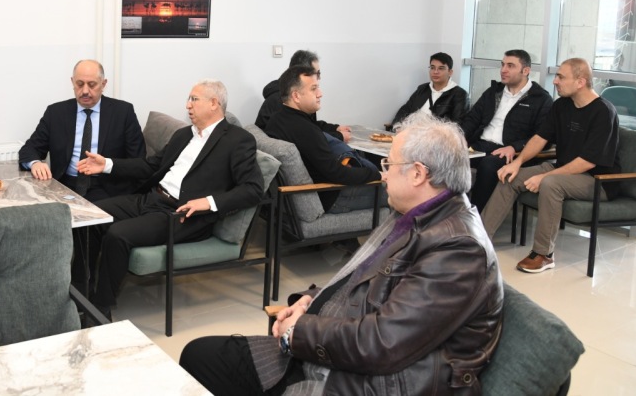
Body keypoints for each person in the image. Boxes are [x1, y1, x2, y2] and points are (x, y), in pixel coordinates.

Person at [179, 114, 503, 395]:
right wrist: (310, 302)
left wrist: (298, 331)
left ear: (418, 174)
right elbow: (361, 283)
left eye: (389, 165)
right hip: (341, 346)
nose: (384, 174)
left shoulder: (458, 249)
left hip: (375, 382)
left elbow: (383, 342)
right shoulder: (415, 215)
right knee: (199, 355)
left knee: (207, 365)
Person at [75, 79, 263, 316]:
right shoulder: (184, 135)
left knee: (117, 235)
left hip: (181, 215)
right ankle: (80, 292)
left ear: (214, 103)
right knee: (90, 216)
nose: (188, 105)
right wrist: (107, 165)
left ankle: (99, 309)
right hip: (151, 199)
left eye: (194, 99)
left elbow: (253, 189)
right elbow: (151, 166)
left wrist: (209, 202)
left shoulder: (238, 140)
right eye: (189, 99)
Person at [481, 58, 620, 273]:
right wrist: (517, 163)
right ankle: (480, 239)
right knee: (510, 176)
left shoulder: (604, 112)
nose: (555, 81)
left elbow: (587, 162)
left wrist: (544, 177)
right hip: (565, 169)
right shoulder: (561, 105)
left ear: (580, 82)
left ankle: (544, 254)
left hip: (598, 180)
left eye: (561, 77)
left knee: (551, 184)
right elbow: (540, 138)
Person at [18, 60, 145, 202]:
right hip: (64, 185)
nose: (85, 91)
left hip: (107, 187)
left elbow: (138, 162)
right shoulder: (56, 113)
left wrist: (106, 165)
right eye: (79, 84)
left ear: (103, 84)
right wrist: (35, 163)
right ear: (72, 82)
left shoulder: (123, 112)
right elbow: (29, 149)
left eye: (92, 85)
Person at [265, 65, 382, 214]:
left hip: (298, 199)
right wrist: (378, 175)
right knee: (395, 193)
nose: (320, 94)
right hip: (331, 196)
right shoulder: (304, 129)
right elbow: (336, 173)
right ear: (296, 96)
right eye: (314, 89)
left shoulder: (277, 118)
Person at [461, 49, 554, 211]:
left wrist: (515, 147)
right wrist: (458, 138)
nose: (503, 70)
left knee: (489, 165)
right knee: (444, 157)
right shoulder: (493, 92)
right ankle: (444, 212)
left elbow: (542, 138)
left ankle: (475, 216)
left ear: (526, 71)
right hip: (480, 146)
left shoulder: (541, 99)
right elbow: (471, 120)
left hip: (511, 152)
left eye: (510, 66)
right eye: (503, 65)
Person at [255, 50, 352, 157]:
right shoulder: (282, 102)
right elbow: (306, 135)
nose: (318, 78)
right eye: (316, 73)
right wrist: (339, 136)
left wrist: (334, 128)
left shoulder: (289, 96)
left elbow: (310, 126)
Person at [390, 52, 468, 126]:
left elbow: (457, 125)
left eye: (441, 68)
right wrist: (397, 126)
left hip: (435, 134)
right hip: (410, 130)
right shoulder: (423, 89)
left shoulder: (459, 94)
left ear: (450, 72)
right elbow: (404, 110)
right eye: (432, 68)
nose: (435, 72)